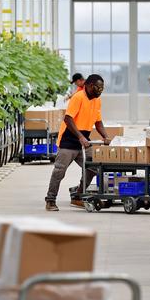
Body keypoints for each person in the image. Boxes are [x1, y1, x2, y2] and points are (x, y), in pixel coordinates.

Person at [45, 74, 110, 211]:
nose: (100, 91)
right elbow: (68, 119)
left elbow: (98, 121)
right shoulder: (78, 97)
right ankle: (50, 200)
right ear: (90, 86)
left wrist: (105, 136)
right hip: (70, 139)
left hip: (84, 140)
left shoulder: (97, 101)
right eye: (98, 88)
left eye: (102, 89)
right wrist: (80, 137)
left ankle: (78, 195)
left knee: (93, 167)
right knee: (59, 171)